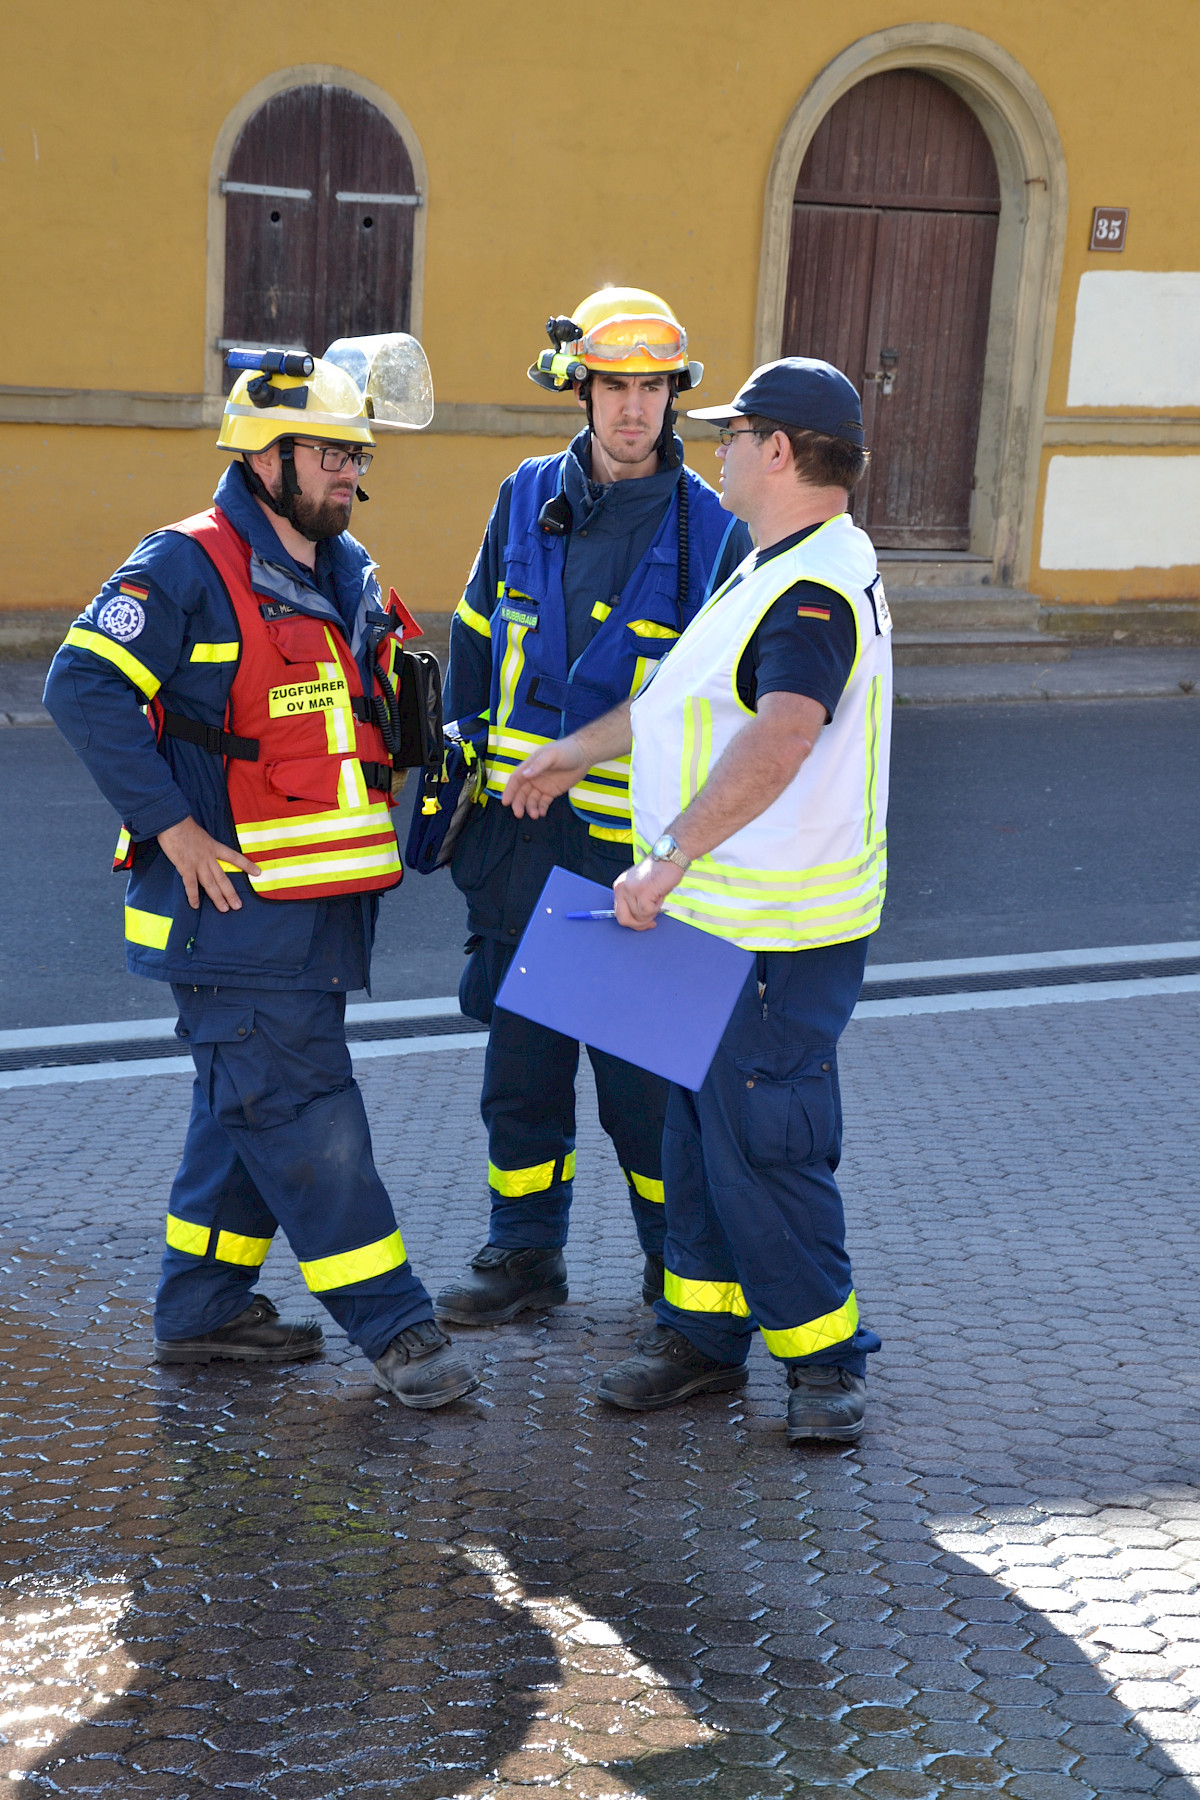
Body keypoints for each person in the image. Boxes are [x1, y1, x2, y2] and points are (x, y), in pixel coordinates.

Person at [42, 344, 478, 1410]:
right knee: (304, 1115)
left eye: (357, 452)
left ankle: (201, 1311)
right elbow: (80, 685)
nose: (352, 472)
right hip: (231, 918)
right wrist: (174, 829)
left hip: (318, 911)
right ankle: (399, 1330)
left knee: (243, 1105)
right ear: (266, 457)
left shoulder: (347, 566)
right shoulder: (184, 566)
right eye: (332, 452)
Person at [500, 356, 891, 1443]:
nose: (708, 445)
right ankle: (702, 1337)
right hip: (717, 923)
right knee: (695, 1135)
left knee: (766, 1140)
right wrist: (572, 752)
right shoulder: (771, 565)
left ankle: (827, 1363)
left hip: (774, 931)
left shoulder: (808, 590)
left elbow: (782, 733)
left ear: (778, 450)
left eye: (729, 432)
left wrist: (667, 855)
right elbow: (682, 699)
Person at [431, 288, 752, 1328]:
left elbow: (713, 705)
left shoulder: (717, 536)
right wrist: (458, 777)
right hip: (522, 836)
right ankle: (524, 1256)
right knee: (520, 1068)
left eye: (653, 387)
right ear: (582, 390)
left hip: (635, 848)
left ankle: (678, 1268)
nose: (634, 408)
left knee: (642, 1087)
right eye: (615, 385)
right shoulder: (524, 495)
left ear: (673, 395)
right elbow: (476, 643)